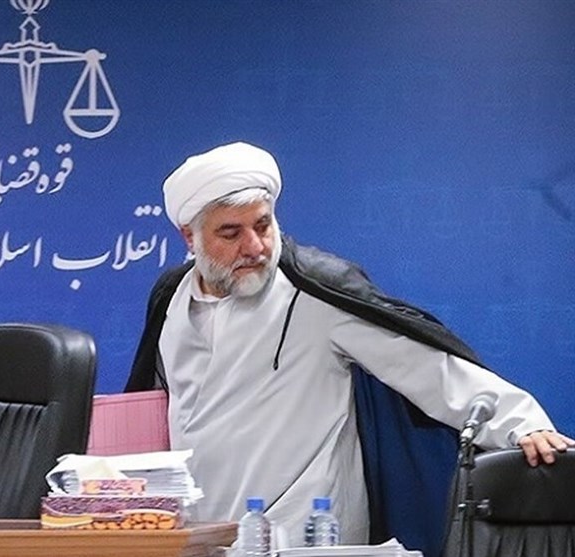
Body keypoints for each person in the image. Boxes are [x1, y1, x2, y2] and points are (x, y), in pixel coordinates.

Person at [124, 141, 574, 553]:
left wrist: (520, 423)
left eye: (263, 225)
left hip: (306, 536)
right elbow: (160, 408)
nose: (255, 246)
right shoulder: (171, 300)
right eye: (231, 233)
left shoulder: (313, 293)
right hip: (200, 536)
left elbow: (427, 366)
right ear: (190, 237)